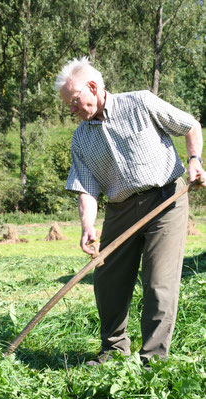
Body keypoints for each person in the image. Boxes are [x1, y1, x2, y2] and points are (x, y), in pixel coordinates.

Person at [54, 57, 205, 366]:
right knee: (107, 279)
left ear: (93, 88)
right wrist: (87, 226)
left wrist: (194, 160)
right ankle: (112, 350)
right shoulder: (81, 138)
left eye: (74, 101)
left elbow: (189, 125)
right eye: (68, 105)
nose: (71, 109)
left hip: (165, 200)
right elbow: (86, 187)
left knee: (158, 283)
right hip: (120, 209)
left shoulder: (140, 102)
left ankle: (153, 360)